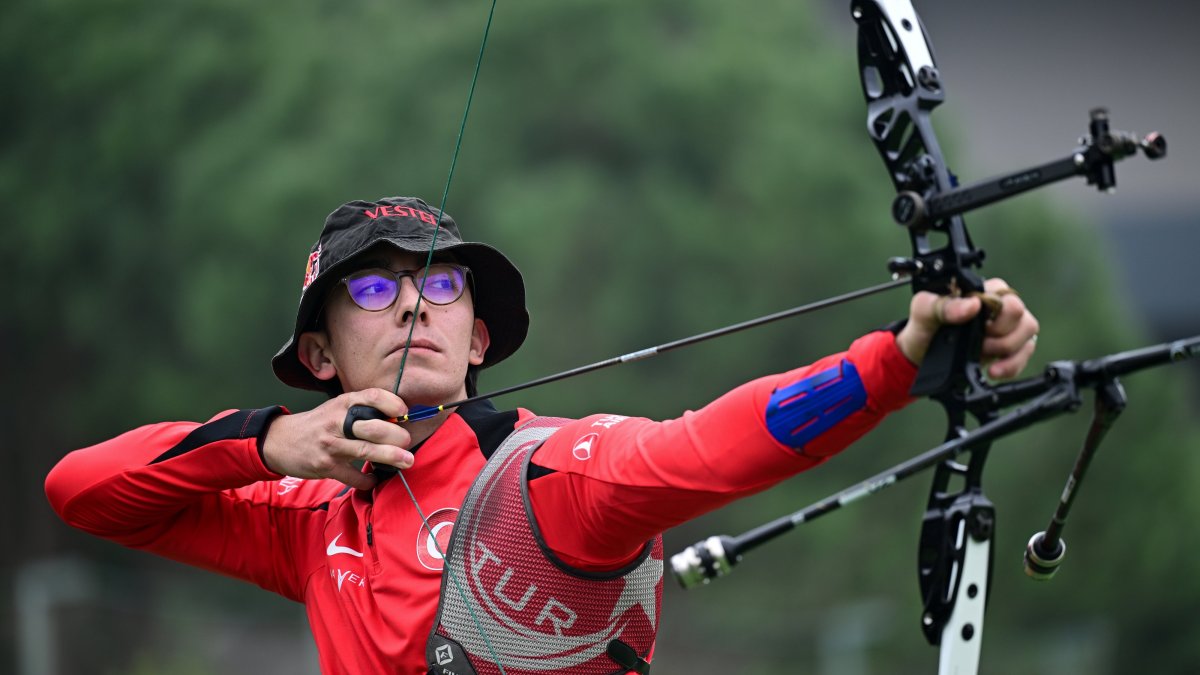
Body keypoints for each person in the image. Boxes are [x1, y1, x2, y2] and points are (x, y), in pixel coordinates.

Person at [45, 196, 1039, 675]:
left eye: (441, 284)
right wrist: (267, 445)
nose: (412, 307)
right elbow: (82, 491)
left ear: (476, 337)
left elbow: (710, 445)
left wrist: (899, 359)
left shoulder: (547, 474)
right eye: (374, 287)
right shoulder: (310, 520)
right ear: (318, 355)